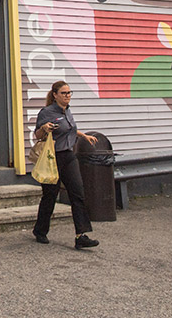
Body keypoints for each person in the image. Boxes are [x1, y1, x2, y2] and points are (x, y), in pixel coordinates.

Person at [32, 80, 100, 249]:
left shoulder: (67, 111)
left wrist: (83, 136)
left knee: (78, 193)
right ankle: (40, 231)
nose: (67, 96)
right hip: (52, 158)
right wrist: (45, 129)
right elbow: (37, 135)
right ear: (55, 95)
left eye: (69, 93)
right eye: (64, 93)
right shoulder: (47, 112)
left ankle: (81, 236)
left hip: (68, 156)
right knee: (50, 196)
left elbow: (68, 129)